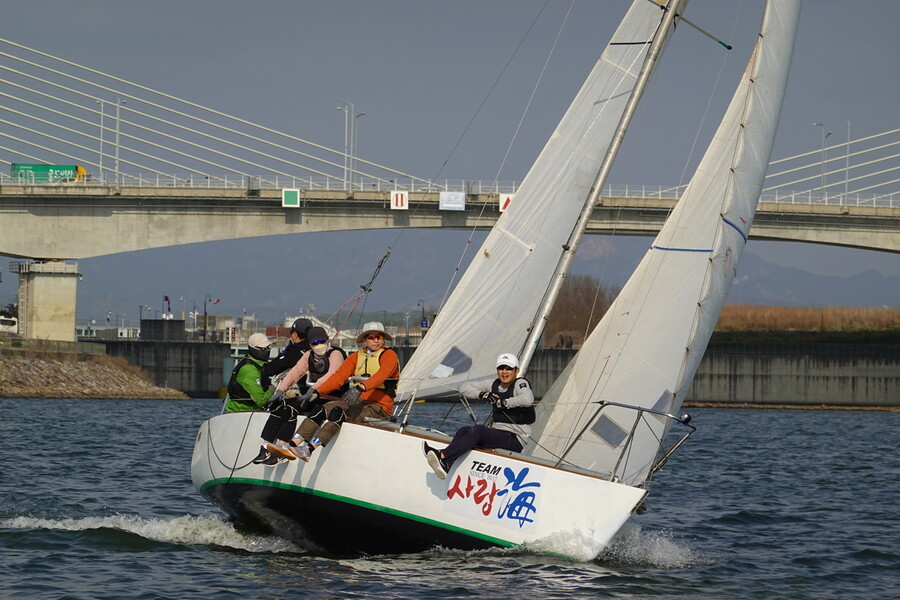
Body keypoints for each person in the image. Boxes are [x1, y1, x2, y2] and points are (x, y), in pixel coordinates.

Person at [286, 321, 400, 461]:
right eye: (371, 337)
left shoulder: (389, 355)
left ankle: (309, 449)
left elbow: (382, 375)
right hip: (357, 401)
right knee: (320, 409)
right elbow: (338, 378)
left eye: (379, 337)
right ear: (364, 339)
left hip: (379, 406)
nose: (376, 340)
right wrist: (317, 392)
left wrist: (360, 387)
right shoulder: (355, 357)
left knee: (337, 412)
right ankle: (293, 445)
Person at [422, 352, 535, 479]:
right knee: (463, 431)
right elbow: (464, 387)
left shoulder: (520, 384)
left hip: (516, 439)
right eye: (501, 368)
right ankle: (447, 464)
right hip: (498, 433)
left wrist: (504, 402)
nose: (504, 372)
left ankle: (442, 455)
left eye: (509, 368)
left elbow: (528, 399)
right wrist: (483, 394)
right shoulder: (493, 384)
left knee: (478, 431)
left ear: (517, 370)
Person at [251, 327, 348, 465]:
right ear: (309, 344)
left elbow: (333, 374)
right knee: (281, 406)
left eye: (322, 341)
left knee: (292, 409)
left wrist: (313, 389)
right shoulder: (308, 355)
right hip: (313, 396)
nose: (319, 345)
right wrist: (280, 391)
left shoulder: (335, 354)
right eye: (314, 343)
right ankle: (266, 446)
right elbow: (296, 372)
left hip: (331, 398)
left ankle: (283, 447)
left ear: (327, 340)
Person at [223, 333, 276, 413]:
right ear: (253, 349)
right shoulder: (249, 370)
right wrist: (272, 389)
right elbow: (261, 400)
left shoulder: (260, 364)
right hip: (240, 413)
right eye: (263, 348)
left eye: (269, 347)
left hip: (254, 412)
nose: (267, 351)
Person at [263, 317, 312, 384]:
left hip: (302, 391)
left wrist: (285, 352)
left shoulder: (293, 354)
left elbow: (269, 370)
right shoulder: (317, 352)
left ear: (295, 335)